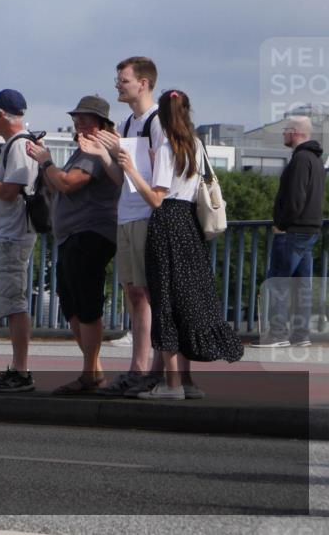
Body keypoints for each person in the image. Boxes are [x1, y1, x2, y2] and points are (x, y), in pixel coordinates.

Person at [117, 90, 243, 399]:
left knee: (165, 303)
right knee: (186, 299)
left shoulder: (165, 147)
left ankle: (171, 384)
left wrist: (131, 168)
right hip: (189, 224)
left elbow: (157, 198)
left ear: (161, 115)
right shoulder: (196, 145)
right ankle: (186, 381)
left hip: (166, 225)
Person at [26, 96, 123, 394]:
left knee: (86, 303)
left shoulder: (95, 151)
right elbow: (59, 183)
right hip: (73, 235)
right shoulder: (83, 150)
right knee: (71, 302)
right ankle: (93, 370)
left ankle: (90, 373)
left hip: (91, 232)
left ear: (101, 124)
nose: (79, 122)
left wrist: (46, 161)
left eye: (86, 118)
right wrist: (47, 165)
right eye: (76, 117)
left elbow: (68, 183)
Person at [95, 57, 168, 397]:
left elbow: (161, 177)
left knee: (149, 292)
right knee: (133, 292)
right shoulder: (126, 123)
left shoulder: (157, 122)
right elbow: (120, 177)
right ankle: (138, 367)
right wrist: (103, 154)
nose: (118, 85)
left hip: (147, 215)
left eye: (123, 80)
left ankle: (153, 369)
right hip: (126, 214)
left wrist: (121, 158)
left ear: (144, 83)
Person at [0, 89, 40, 392]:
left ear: (1, 113)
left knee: (14, 302)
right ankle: (18, 367)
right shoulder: (17, 144)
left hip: (11, 235)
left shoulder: (19, 145)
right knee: (11, 301)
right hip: (8, 233)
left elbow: (9, 191)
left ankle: (21, 370)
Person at [250, 115, 325, 348]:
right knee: (302, 285)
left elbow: (295, 198)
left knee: (278, 282)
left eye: (285, 130)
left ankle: (277, 334)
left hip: (293, 231)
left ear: (294, 132)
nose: (283, 133)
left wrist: (281, 224)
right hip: (310, 230)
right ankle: (301, 335)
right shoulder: (316, 160)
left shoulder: (300, 159)